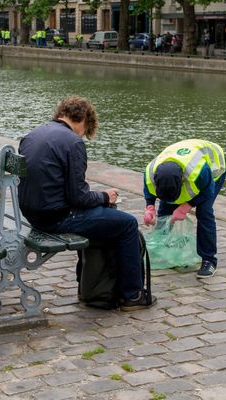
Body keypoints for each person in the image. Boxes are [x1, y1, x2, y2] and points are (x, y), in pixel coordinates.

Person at [18, 96, 156, 310]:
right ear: (83, 120)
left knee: (102, 215)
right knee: (127, 224)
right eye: (86, 129)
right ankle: (132, 295)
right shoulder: (73, 142)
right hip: (57, 218)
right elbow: (79, 198)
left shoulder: (33, 135)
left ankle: (88, 288)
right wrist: (105, 197)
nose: (84, 134)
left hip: (32, 214)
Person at [142, 139, 226, 278]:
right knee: (165, 210)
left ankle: (209, 260)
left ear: (182, 181)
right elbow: (148, 189)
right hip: (183, 159)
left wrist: (185, 207)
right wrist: (150, 207)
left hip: (215, 167)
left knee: (204, 212)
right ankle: (161, 250)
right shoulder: (150, 171)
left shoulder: (198, 171)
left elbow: (208, 191)